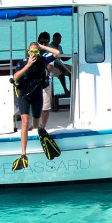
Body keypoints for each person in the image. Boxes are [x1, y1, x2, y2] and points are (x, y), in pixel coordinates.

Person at [10, 40, 62, 168]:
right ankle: (23, 153)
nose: (34, 53)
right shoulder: (23, 62)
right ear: (28, 52)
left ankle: (39, 130)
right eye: (32, 51)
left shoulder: (42, 61)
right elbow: (15, 77)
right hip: (24, 96)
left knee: (36, 123)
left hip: (37, 95)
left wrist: (42, 46)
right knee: (24, 121)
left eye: (36, 51)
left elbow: (57, 53)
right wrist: (28, 65)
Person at [48, 31, 71, 107]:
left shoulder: (60, 47)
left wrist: (71, 56)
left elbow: (63, 58)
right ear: (53, 38)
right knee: (60, 74)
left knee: (71, 71)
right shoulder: (49, 46)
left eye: (60, 39)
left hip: (59, 63)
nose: (59, 40)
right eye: (58, 39)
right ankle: (65, 90)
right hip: (52, 65)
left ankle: (72, 90)